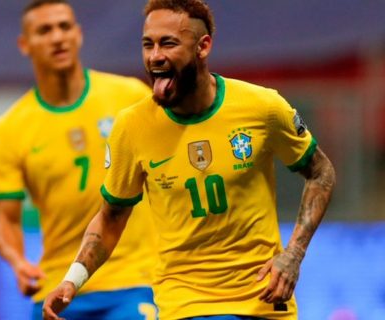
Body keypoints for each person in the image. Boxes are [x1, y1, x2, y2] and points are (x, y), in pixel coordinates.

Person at [43, 0, 336, 319]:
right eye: (148, 44)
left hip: (264, 299)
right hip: (186, 304)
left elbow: (321, 172)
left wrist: (293, 254)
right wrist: (72, 280)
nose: (155, 56)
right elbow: (111, 217)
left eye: (168, 43)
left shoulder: (263, 108)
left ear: (203, 46)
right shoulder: (133, 126)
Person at [0, 1, 157, 319]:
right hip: (57, 289)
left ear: (78, 35)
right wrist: (18, 262)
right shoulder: (11, 127)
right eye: (44, 30)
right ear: (25, 45)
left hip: (134, 280)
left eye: (65, 27)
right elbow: (6, 219)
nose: (57, 37)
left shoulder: (130, 96)